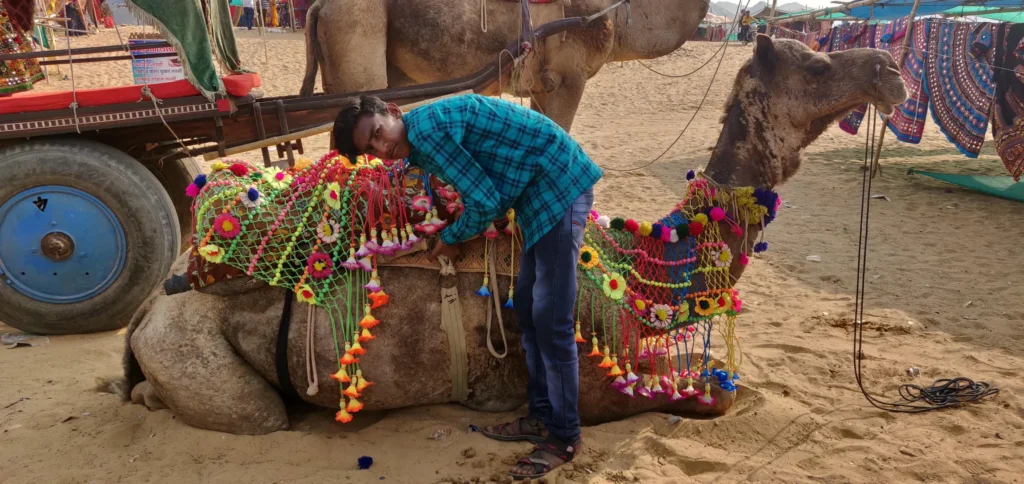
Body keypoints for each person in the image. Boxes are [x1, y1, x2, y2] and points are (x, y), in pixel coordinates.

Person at [333, 94, 603, 480]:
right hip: (536, 194)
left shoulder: (427, 130)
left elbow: (485, 201)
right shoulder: (418, 143)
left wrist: (454, 236)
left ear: (392, 112)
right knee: (528, 305)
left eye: (378, 133)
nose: (382, 148)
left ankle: (564, 437)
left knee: (551, 318)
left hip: (559, 186)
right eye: (370, 148)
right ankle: (542, 416)